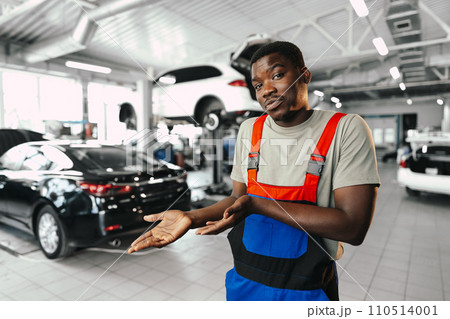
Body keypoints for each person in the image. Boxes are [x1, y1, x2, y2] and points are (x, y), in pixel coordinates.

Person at [128, 41, 380, 301]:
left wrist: (259, 205)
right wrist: (193, 217)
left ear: (304, 75)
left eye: (278, 75)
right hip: (246, 283)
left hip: (307, 290)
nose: (267, 90)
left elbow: (352, 228)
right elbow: (238, 200)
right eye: (258, 85)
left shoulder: (345, 129)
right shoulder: (250, 129)